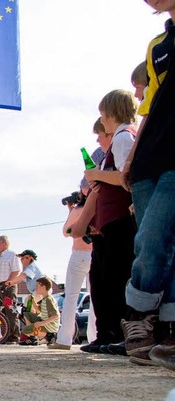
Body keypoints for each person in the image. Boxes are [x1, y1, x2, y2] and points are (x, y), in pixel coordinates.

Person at [119, 0, 175, 370]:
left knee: (156, 234)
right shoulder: (158, 47)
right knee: (151, 241)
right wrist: (131, 156)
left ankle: (138, 313)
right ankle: (157, 329)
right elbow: (151, 106)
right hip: (149, 155)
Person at [73, 90, 138, 355]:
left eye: (103, 116)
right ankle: (108, 333)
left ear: (111, 114)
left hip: (118, 218)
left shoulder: (123, 137)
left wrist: (96, 174)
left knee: (116, 276)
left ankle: (119, 333)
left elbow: (125, 177)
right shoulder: (125, 137)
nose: (102, 122)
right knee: (108, 277)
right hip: (113, 218)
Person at [50, 186, 99, 351]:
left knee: (71, 297)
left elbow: (66, 231)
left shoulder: (77, 210)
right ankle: (94, 337)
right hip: (95, 254)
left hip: (78, 254)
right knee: (95, 298)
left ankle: (64, 339)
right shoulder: (97, 206)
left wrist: (70, 211)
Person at [0, 235, 22, 343]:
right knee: (1, 312)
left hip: (8, 287)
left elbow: (16, 271)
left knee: (11, 311)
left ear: (5, 244)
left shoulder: (11, 255)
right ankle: (5, 335)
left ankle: (13, 336)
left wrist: (8, 283)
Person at [19, 277, 60, 346]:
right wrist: (32, 301)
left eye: (37, 286)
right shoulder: (44, 299)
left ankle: (50, 335)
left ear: (43, 287)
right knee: (27, 314)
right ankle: (34, 337)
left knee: (26, 330)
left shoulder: (48, 300)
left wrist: (42, 323)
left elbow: (56, 315)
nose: (36, 288)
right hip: (44, 321)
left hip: (49, 325)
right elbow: (39, 310)